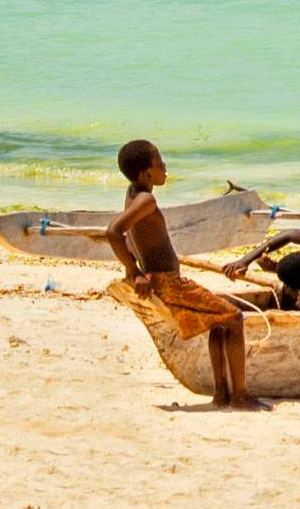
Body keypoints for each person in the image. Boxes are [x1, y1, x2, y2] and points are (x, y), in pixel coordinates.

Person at [105, 139, 268, 410]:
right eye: (159, 162)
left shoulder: (132, 192)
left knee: (220, 320)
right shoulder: (146, 199)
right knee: (234, 318)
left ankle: (222, 395)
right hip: (168, 282)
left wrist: (136, 270)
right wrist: (135, 273)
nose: (165, 166)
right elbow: (113, 232)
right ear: (147, 173)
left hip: (160, 278)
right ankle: (239, 396)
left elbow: (131, 235)